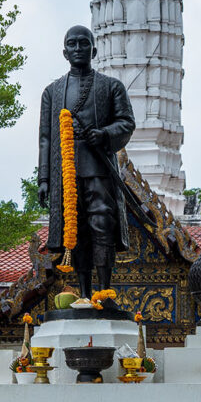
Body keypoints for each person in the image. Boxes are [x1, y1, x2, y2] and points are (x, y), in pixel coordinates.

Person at [38, 25, 135, 297]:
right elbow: (46, 138)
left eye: (83, 44)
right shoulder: (52, 92)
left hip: (99, 170)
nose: (78, 48)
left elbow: (126, 122)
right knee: (75, 231)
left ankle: (104, 292)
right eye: (72, 44)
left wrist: (103, 134)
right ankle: (83, 293)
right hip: (64, 174)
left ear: (94, 50)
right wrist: (44, 179)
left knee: (101, 228)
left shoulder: (111, 87)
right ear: (64, 52)